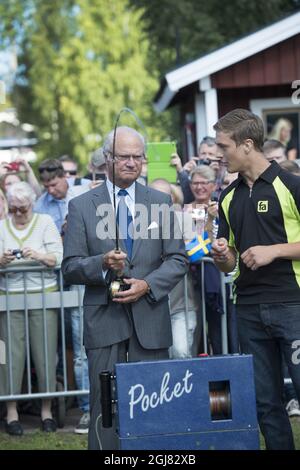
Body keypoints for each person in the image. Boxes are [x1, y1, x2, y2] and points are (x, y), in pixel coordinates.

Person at [61, 126, 188, 450]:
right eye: (123, 157)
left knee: (153, 402)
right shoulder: (81, 206)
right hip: (104, 319)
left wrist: (147, 284)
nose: (132, 162)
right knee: (106, 405)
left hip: (150, 317)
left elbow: (177, 259)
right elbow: (70, 267)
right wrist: (102, 264)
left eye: (137, 157)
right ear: (107, 159)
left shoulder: (160, 201)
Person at [211, 108, 300, 450]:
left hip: (293, 305)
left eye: (223, 147)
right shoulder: (228, 197)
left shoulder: (291, 185)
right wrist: (223, 256)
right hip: (247, 308)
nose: (220, 155)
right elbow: (230, 262)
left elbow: (268, 251)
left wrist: (273, 251)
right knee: (266, 403)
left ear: (247, 145)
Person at [0, 182, 63, 436]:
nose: (17, 214)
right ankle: (11, 412)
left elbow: (57, 257)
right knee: (9, 359)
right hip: (9, 299)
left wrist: (37, 255)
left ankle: (46, 411)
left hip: (43, 297)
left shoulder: (45, 221)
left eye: (22, 209)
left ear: (31, 205)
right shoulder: (2, 225)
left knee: (45, 354)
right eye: (13, 209)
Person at [149, 179, 198, 359]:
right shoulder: (138, 219)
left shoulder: (183, 218)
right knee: (158, 358)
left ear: (172, 196)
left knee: (181, 351)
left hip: (181, 303)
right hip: (150, 305)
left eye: (165, 194)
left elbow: (194, 249)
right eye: (155, 193)